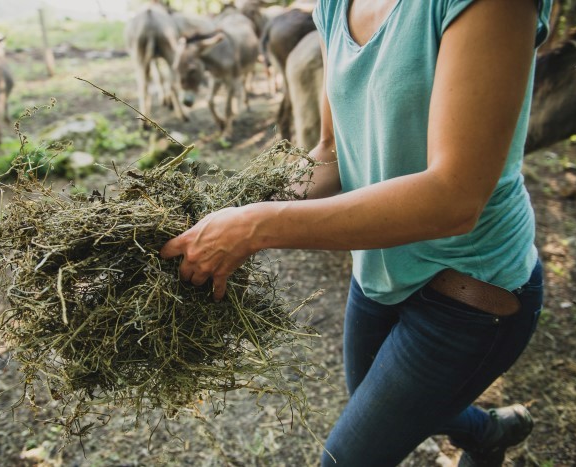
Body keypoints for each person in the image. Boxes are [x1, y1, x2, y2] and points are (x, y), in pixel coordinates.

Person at [161, 0, 552, 465]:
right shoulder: (333, 5)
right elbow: (331, 154)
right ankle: (488, 432)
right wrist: (227, 210)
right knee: (374, 396)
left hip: (470, 288)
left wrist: (255, 226)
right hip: (379, 268)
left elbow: (456, 198)